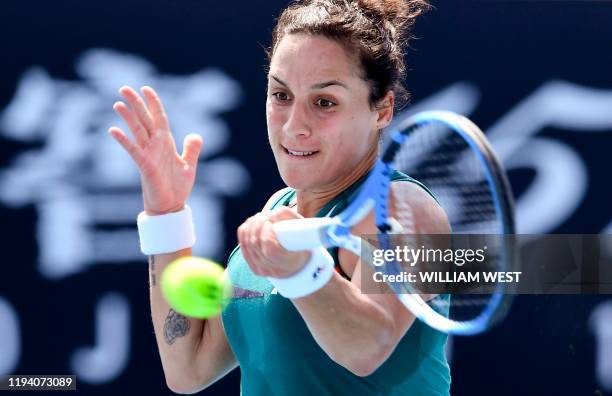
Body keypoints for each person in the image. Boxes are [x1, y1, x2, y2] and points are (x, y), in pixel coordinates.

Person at [109, 0, 451, 394]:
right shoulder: (277, 211)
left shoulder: (404, 211)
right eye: (281, 95)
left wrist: (302, 271)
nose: (294, 126)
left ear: (383, 109)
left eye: (325, 102)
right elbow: (188, 368)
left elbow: (368, 347)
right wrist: (166, 214)